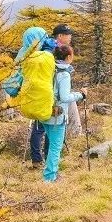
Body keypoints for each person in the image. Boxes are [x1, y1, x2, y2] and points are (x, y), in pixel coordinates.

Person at [29, 24, 75, 168]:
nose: (70, 37)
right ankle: (41, 160)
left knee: (41, 126)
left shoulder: (48, 49)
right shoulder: (50, 50)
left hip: (43, 94)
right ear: (60, 36)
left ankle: (40, 160)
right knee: (41, 127)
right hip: (49, 96)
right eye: (68, 34)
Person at [42, 44, 86, 182]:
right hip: (58, 116)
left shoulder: (49, 70)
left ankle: (51, 174)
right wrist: (80, 95)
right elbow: (65, 97)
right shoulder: (64, 74)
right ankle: (50, 178)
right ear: (68, 57)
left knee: (52, 145)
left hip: (44, 112)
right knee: (56, 147)